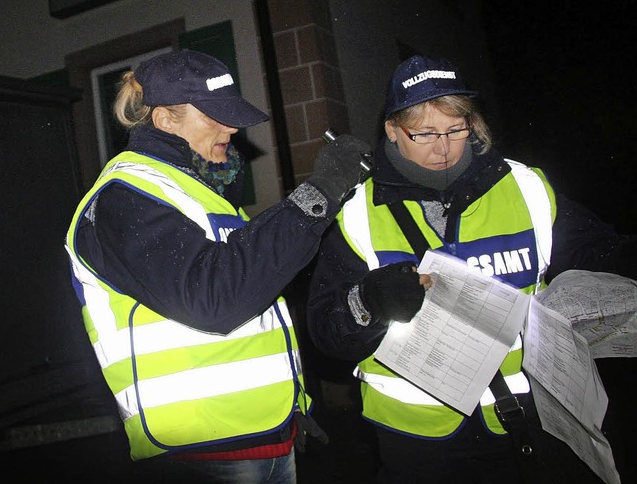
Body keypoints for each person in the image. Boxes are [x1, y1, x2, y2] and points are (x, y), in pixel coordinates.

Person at [306, 54, 637, 483]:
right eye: (424, 132)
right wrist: (369, 302)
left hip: (531, 422)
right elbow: (327, 332)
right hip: (418, 439)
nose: (442, 147)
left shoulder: (525, 186)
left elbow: (599, 252)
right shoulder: (355, 212)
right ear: (392, 130)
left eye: (455, 129)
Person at [64, 49, 371, 483]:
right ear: (165, 120)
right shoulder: (123, 198)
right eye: (214, 115)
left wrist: (290, 407)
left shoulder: (196, 194)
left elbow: (255, 306)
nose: (231, 127)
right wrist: (320, 192)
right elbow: (213, 298)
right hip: (200, 458)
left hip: (262, 438)